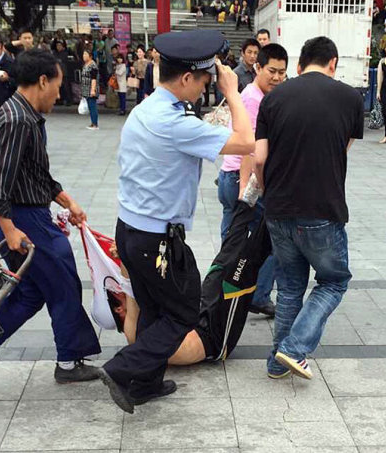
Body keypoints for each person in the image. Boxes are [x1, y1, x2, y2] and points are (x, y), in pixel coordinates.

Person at [99, 29, 254, 414]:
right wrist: (233, 92)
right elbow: (247, 141)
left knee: (153, 308)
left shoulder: (148, 109)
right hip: (157, 241)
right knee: (184, 311)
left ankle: (145, 382)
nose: (207, 87)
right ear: (186, 78)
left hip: (131, 229)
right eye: (204, 80)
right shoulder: (176, 124)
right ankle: (122, 370)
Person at [0, 49, 103, 384]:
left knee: (34, 290)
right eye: (58, 86)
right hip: (20, 220)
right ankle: (70, 362)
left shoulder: (26, 116)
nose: (59, 94)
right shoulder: (16, 121)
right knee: (63, 280)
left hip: (26, 213)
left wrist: (67, 201)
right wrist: (10, 229)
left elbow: (34, 174)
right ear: (43, 80)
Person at [254, 36, 363, 380]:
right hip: (321, 209)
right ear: (333, 63)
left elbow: (259, 159)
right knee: (333, 282)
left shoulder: (274, 98)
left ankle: (276, 362)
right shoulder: (349, 97)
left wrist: (269, 191)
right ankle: (292, 348)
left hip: (278, 209)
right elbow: (342, 149)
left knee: (288, 286)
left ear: (299, 66)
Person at [218, 44, 289, 318]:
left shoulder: (256, 94)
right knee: (267, 240)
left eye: (281, 73)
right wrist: (246, 189)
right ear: (257, 67)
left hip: (232, 176)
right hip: (242, 179)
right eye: (271, 71)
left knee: (233, 242)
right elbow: (250, 147)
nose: (277, 78)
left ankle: (226, 291)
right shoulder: (254, 99)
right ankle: (257, 296)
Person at [81, 50, 99, 130]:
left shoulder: (93, 65)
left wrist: (93, 89)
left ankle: (95, 124)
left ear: (90, 56)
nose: (84, 56)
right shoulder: (85, 64)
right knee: (90, 106)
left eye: (86, 54)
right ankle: (92, 123)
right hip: (86, 88)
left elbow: (94, 78)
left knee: (92, 106)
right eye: (83, 54)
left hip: (91, 88)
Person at [53, 41, 74, 106]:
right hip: (57, 72)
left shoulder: (65, 53)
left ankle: (69, 100)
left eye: (60, 45)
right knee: (58, 87)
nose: (58, 47)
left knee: (66, 87)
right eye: (57, 46)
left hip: (64, 72)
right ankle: (59, 100)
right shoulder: (55, 53)